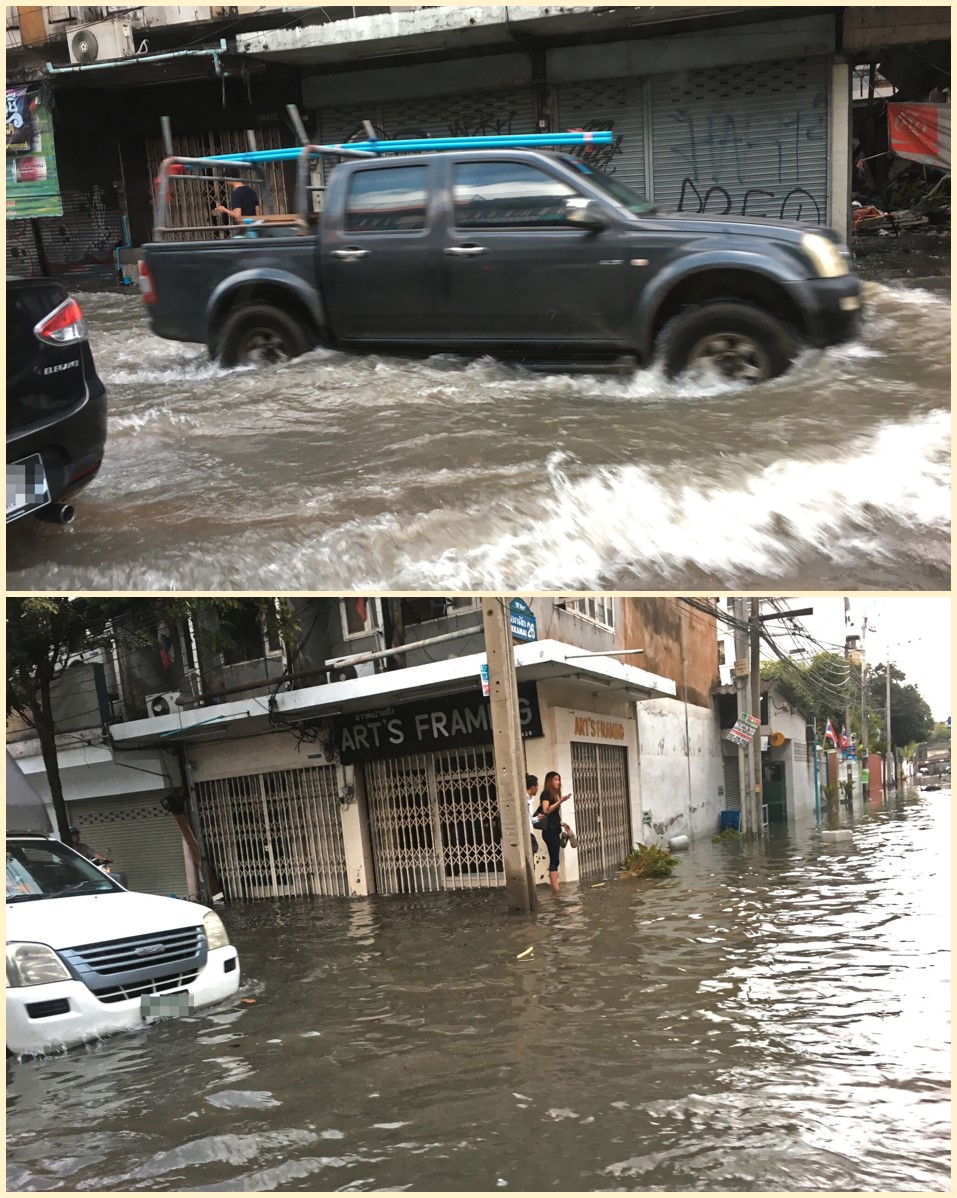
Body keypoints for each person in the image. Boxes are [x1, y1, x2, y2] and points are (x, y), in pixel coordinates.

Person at [539, 770, 572, 894]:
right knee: (554, 860)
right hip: (549, 831)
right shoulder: (546, 794)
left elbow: (553, 817)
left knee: (555, 859)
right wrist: (560, 801)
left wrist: (562, 823)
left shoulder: (554, 795)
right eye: (555, 779)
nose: (558, 782)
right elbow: (546, 810)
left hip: (555, 829)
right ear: (549, 781)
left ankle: (555, 888)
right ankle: (556, 891)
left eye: (559, 779)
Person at [526, 774, 542, 857]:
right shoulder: (524, 799)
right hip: (527, 834)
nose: (537, 789)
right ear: (533, 787)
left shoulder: (529, 800)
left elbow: (529, 818)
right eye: (537, 786)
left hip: (530, 833)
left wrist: (537, 819)